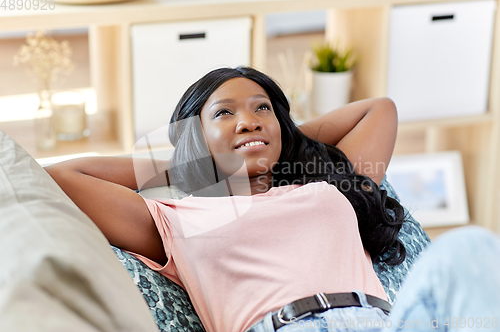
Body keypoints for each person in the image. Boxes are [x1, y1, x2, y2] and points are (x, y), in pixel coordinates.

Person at [44, 66, 500, 332]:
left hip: (380, 321)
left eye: (262, 108)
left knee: (471, 248)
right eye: (224, 113)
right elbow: (61, 177)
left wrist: (285, 139)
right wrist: (191, 161)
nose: (249, 120)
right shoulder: (176, 217)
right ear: (194, 137)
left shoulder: (326, 186)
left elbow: (378, 110)